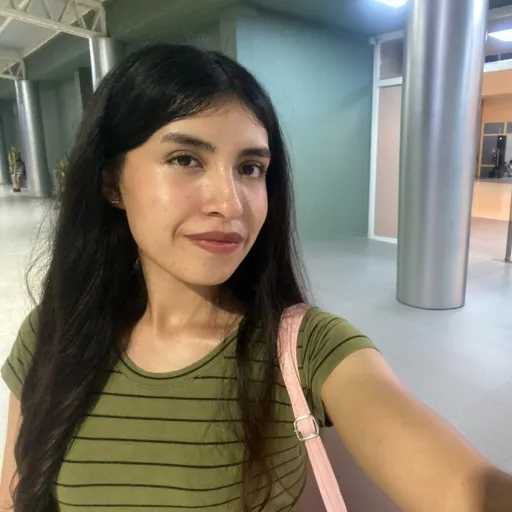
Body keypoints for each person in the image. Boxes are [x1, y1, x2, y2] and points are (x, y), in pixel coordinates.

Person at [0, 44, 511, 512]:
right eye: (185, 159)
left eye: (249, 168)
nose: (230, 204)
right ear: (112, 183)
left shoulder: (305, 347)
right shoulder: (53, 335)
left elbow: (468, 487)